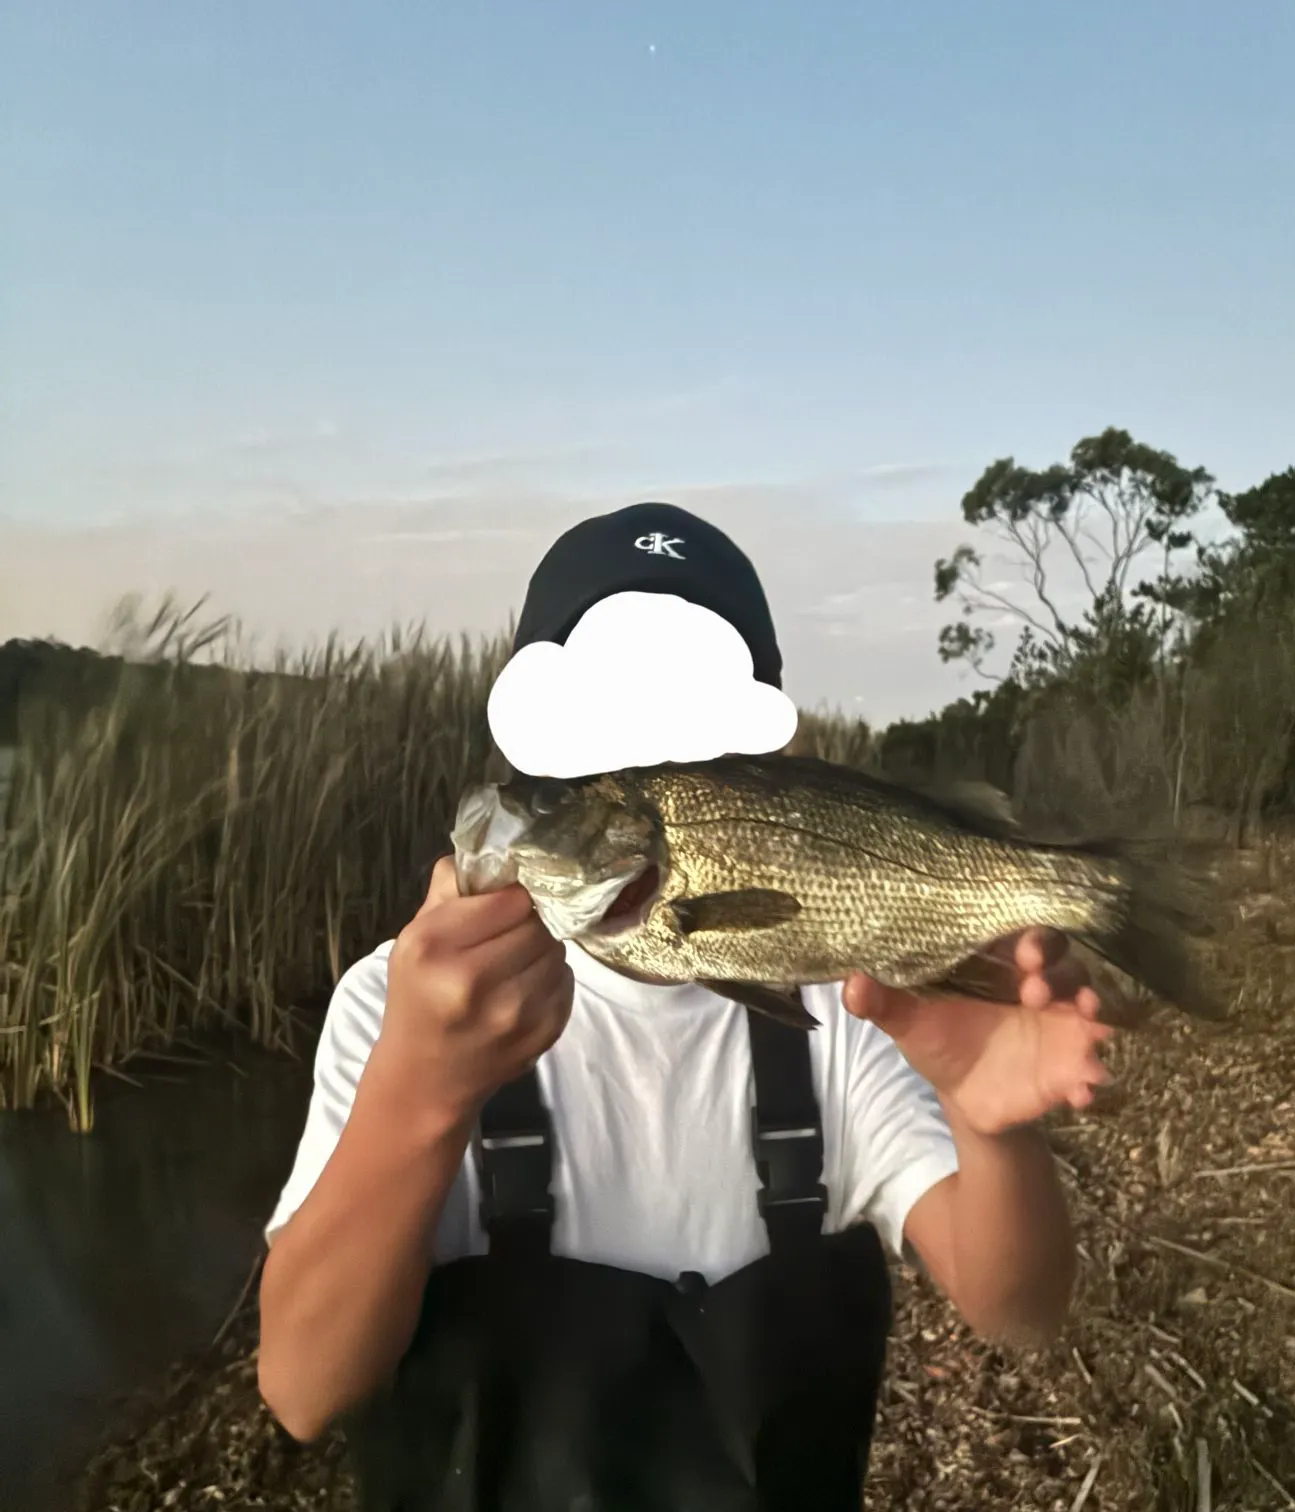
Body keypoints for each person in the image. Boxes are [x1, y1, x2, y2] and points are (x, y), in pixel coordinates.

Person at [256, 501, 1117, 1512]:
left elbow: (1015, 1311)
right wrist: (421, 1093)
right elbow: (304, 1392)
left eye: (684, 737)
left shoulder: (846, 1005)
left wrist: (991, 1127)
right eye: (595, 739)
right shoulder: (392, 1005)